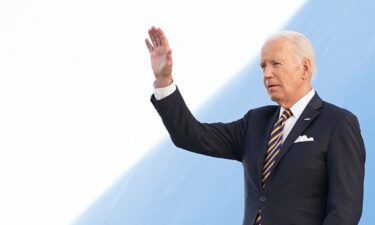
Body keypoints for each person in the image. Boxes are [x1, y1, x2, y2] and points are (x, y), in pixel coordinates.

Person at [145, 26, 366, 225]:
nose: (267, 74)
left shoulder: (337, 123)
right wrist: (164, 81)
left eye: (276, 64)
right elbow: (191, 135)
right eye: (263, 66)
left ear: (305, 68)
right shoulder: (255, 123)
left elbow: (345, 211)